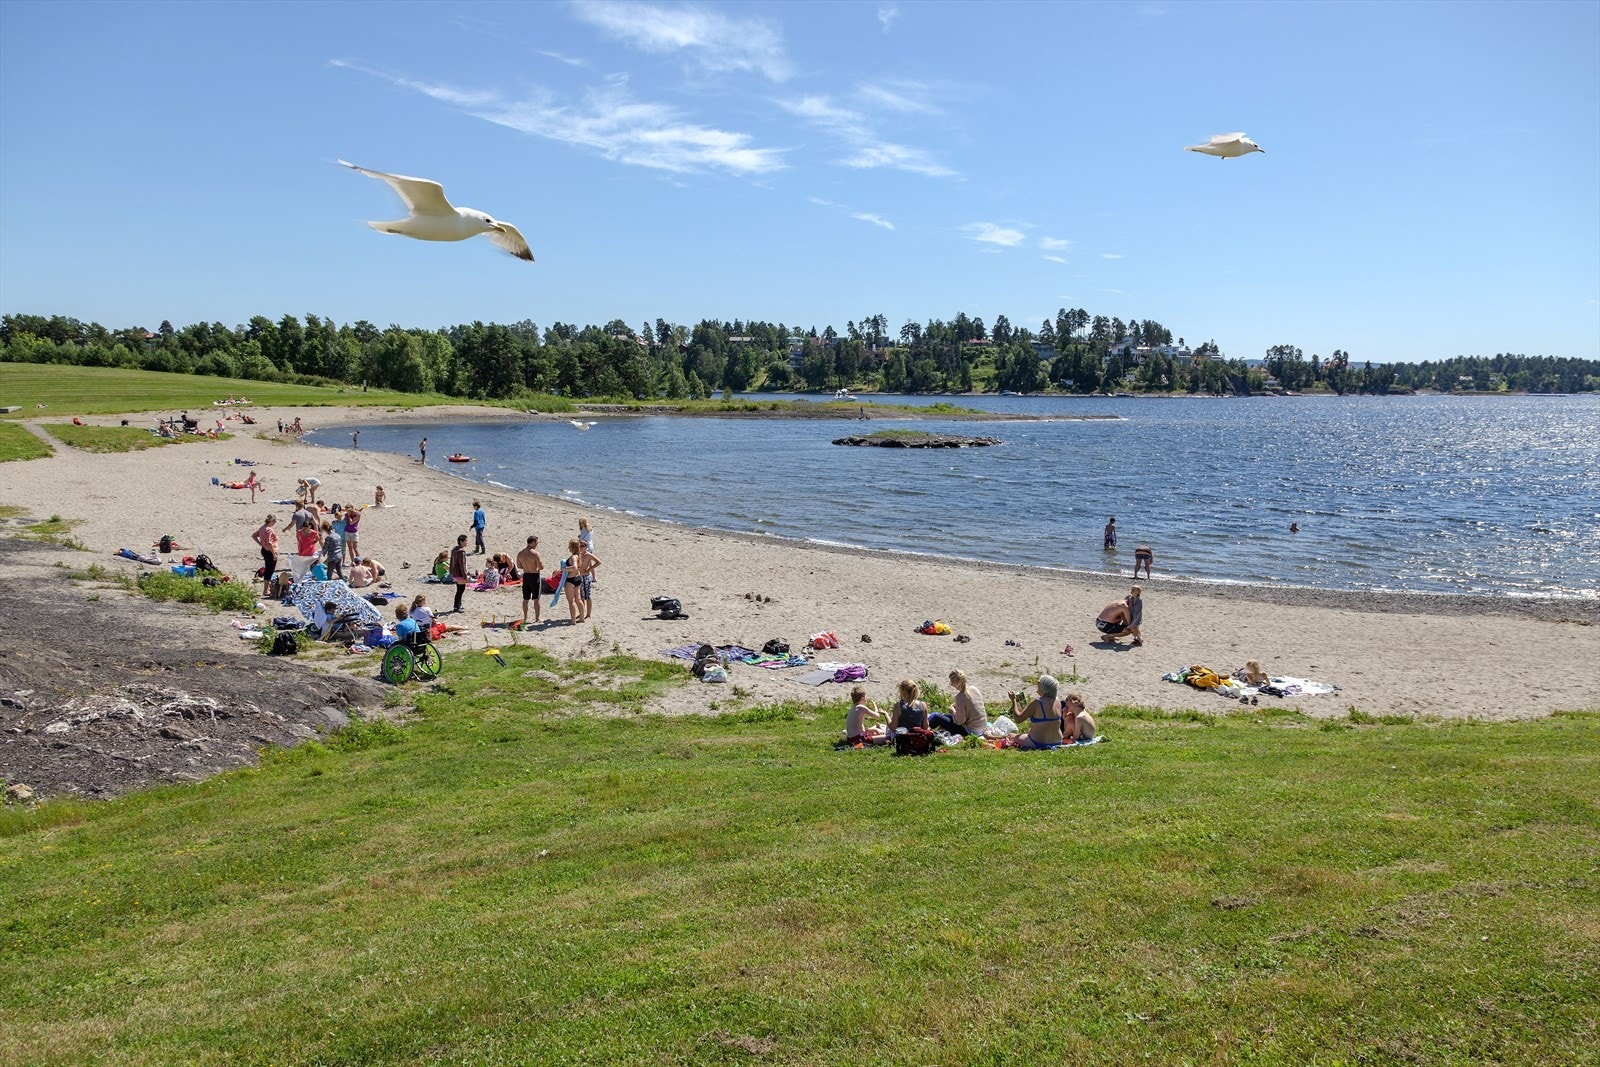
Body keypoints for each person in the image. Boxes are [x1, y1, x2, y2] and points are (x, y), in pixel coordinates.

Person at [1008, 675, 1065, 749]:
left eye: (1039, 682)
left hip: (1038, 742)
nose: (1037, 684)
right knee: (1030, 730)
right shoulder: (1057, 701)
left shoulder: (1037, 702)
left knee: (1011, 735)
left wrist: (1014, 701)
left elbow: (1018, 719)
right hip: (1057, 741)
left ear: (1044, 687)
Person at [930, 669, 988, 736]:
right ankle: (925, 728)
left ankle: (923, 729)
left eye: (951, 682)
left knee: (936, 717)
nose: (951, 684)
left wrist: (953, 711)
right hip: (982, 727)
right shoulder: (974, 689)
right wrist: (959, 708)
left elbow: (960, 721)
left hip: (970, 731)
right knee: (944, 716)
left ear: (956, 683)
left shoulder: (960, 696)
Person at [566, 537, 600, 622]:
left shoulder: (588, 554)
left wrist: (589, 569)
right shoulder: (579, 555)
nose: (581, 547)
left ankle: (588, 614)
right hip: (579, 577)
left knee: (587, 596)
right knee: (581, 596)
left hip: (585, 576)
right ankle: (582, 614)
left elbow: (598, 562)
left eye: (582, 546)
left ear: (586, 547)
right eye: (579, 545)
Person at [517, 535, 544, 625]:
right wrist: (536, 567)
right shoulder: (535, 554)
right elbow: (541, 567)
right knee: (536, 599)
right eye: (536, 543)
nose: (537, 545)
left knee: (526, 599)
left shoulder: (520, 553)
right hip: (535, 576)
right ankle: (537, 618)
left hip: (526, 576)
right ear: (532, 542)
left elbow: (519, 566)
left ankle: (525, 617)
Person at [251, 514, 279, 596]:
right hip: (269, 551)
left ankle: (267, 588)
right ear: (270, 521)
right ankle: (266, 590)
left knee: (268, 568)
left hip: (264, 550)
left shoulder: (262, 528)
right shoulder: (269, 530)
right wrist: (274, 554)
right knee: (270, 570)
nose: (275, 522)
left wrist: (260, 543)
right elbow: (269, 542)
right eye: (274, 521)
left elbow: (254, 535)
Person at [449, 534, 469, 613]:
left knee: (459, 590)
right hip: (460, 573)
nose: (467, 543)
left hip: (455, 573)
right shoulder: (461, 551)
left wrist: (451, 571)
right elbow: (462, 564)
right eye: (465, 541)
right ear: (461, 541)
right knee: (460, 590)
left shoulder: (455, 550)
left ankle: (458, 605)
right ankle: (457, 606)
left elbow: (451, 561)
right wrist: (465, 575)